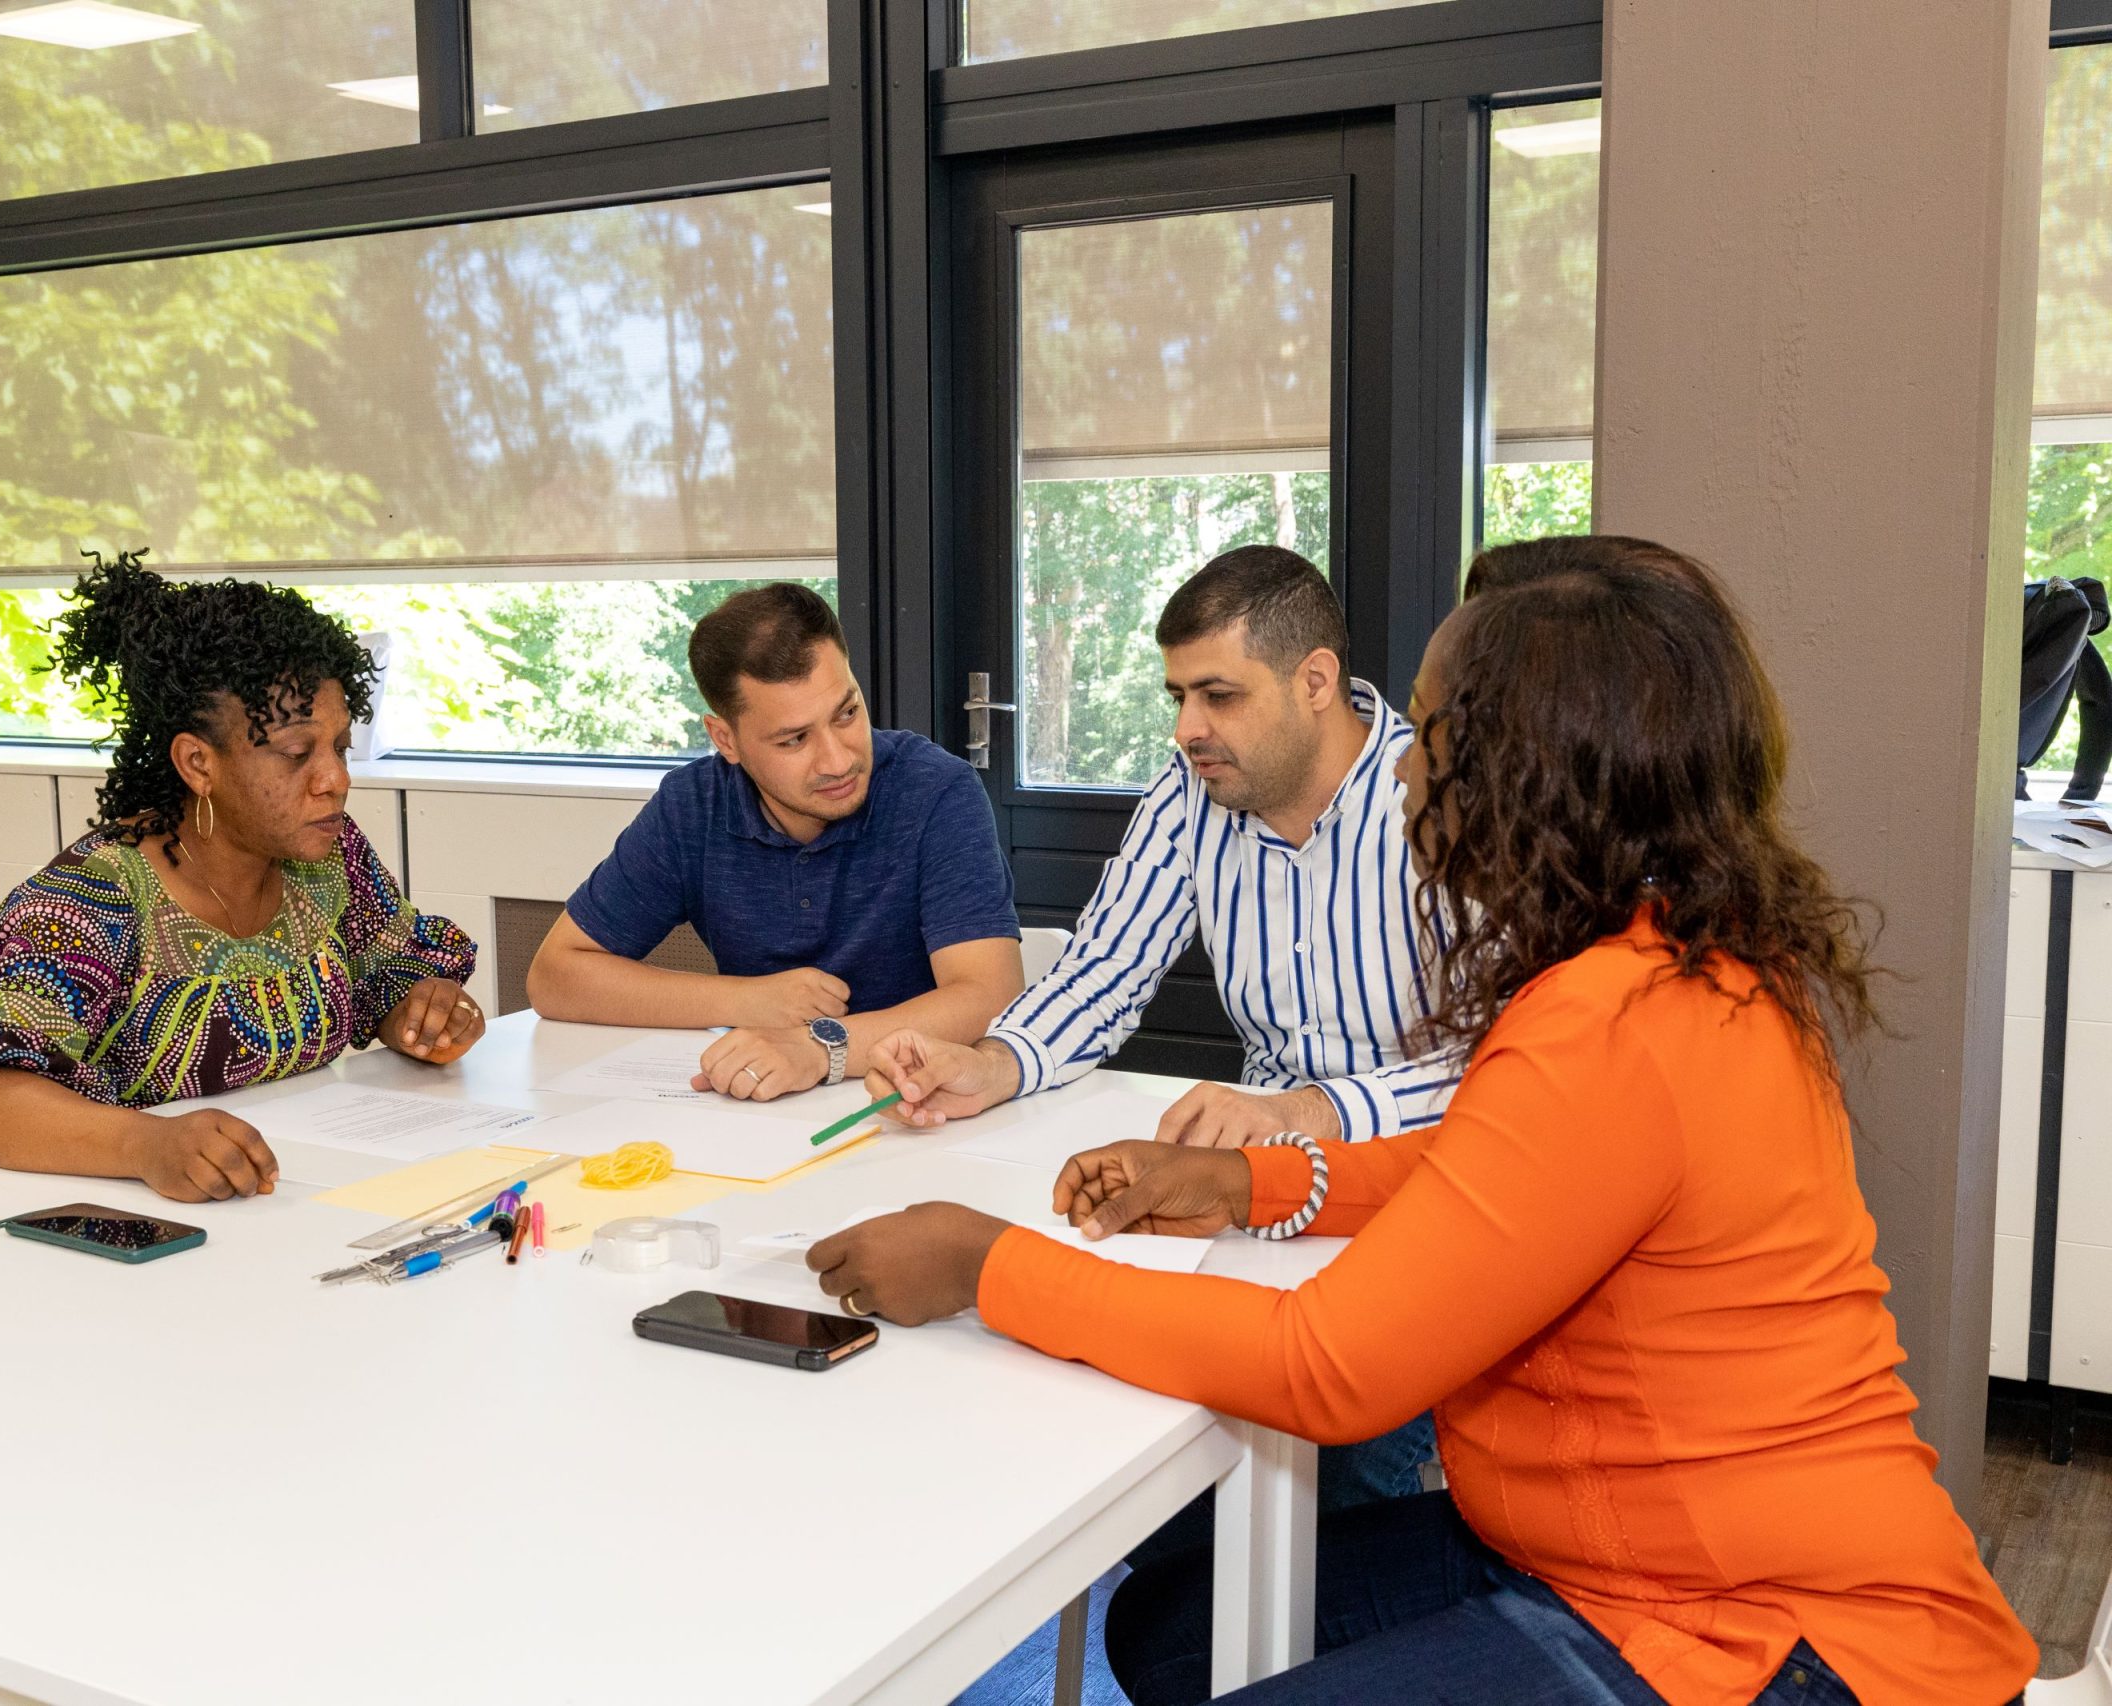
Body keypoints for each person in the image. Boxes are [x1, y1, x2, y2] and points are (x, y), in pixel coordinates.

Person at [808, 537, 2038, 1705]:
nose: (1402, 767)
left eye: (1434, 739)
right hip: (1601, 1556)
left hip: (1758, 1634)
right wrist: (1256, 1186)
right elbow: (1497, 1179)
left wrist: (989, 1263)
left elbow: (1326, 1365)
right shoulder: (1672, 964)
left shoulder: (1613, 1020)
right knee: (1177, 1624)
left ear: (1530, 775)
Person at [859, 544, 1456, 1508]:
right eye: (1176, 696)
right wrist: (994, 1063)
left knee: (1329, 1499)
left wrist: (1313, 1111)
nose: (1188, 729)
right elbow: (1105, 966)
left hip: (1414, 1208)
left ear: (1315, 682)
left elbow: (1504, 1068)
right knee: (1094, 1424)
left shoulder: (1441, 799)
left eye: (1217, 695)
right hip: (1246, 1204)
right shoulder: (1199, 787)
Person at [0, 554, 484, 1204]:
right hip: (131, 1228)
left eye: (340, 747)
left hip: (297, 1206)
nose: (335, 779)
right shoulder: (90, 900)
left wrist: (420, 1010)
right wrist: (147, 1144)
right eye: (297, 753)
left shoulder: (329, 859)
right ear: (198, 763)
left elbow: (390, 966)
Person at [525, 583, 1024, 1103]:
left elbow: (990, 994)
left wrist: (818, 1049)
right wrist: (749, 1000)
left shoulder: (937, 790)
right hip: (763, 1106)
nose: (837, 760)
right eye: (794, 740)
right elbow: (556, 977)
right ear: (726, 740)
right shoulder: (692, 806)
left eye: (847, 713)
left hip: (921, 1106)